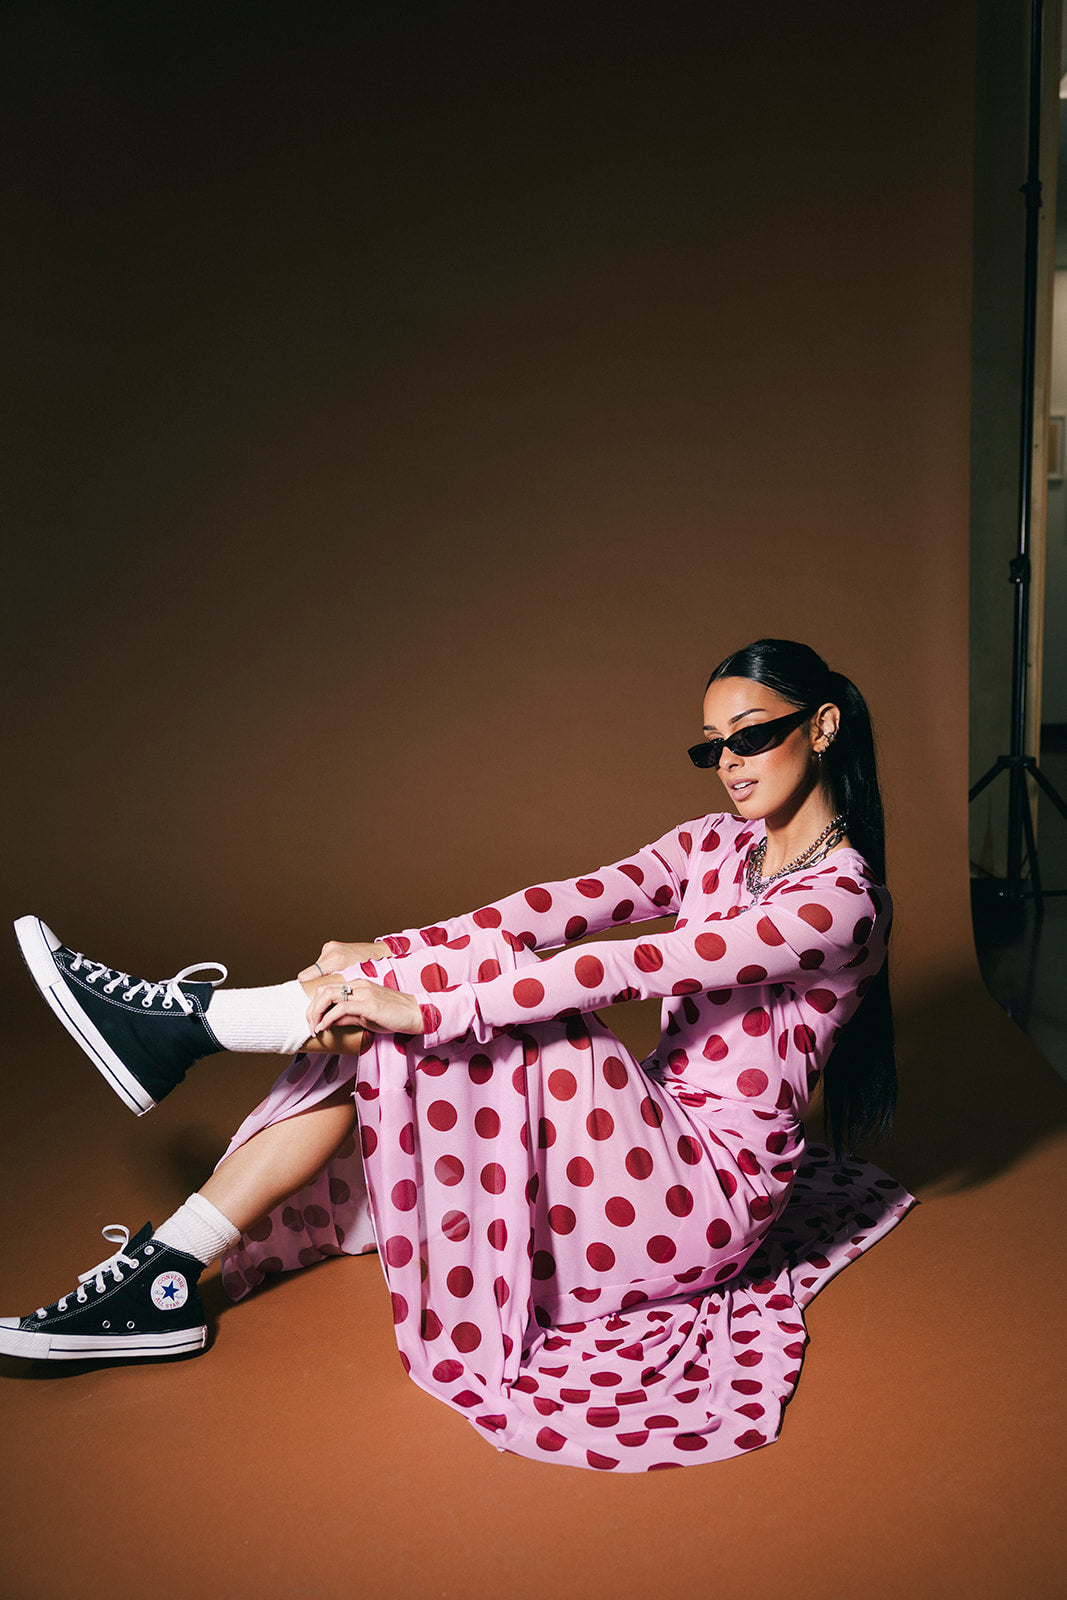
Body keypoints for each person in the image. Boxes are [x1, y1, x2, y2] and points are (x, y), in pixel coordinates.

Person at [0, 638, 912, 1471]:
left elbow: (633, 963)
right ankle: (165, 1271)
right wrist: (387, 953)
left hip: (694, 1203)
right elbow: (551, 909)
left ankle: (193, 1027)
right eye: (709, 747)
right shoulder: (712, 845)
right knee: (394, 1024)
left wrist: (424, 1003)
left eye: (748, 738)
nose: (728, 766)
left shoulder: (842, 903)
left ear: (822, 726)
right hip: (632, 1152)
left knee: (434, 1014)